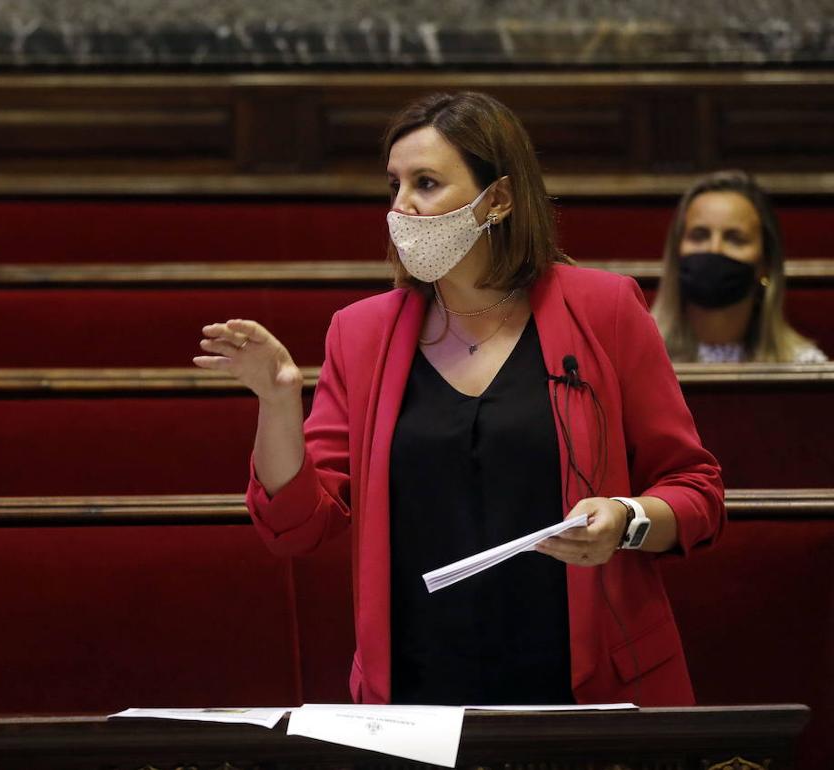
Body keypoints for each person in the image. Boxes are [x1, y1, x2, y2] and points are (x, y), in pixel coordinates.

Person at [195, 92, 724, 707]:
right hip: (420, 687)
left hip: (584, 681)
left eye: (425, 183)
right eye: (393, 185)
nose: (401, 208)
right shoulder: (361, 334)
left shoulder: (603, 310)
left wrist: (626, 521)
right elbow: (298, 527)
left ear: (496, 199)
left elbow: (696, 489)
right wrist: (280, 400)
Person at [650, 170, 826, 364]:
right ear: (676, 251)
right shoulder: (638, 355)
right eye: (699, 236)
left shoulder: (803, 365)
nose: (714, 249)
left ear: (765, 264)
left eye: (735, 239)